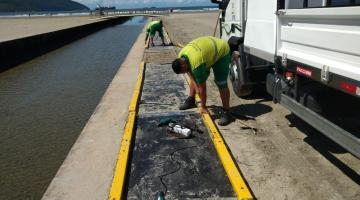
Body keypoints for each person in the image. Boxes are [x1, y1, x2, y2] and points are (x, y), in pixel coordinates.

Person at [172, 36, 232, 126]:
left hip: (221, 51)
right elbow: (190, 73)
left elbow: (202, 88)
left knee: (221, 82)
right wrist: (196, 87)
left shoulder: (196, 64)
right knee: (194, 75)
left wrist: (203, 106)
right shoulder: (181, 55)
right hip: (206, 53)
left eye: (183, 71)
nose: (185, 73)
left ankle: (226, 112)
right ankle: (191, 100)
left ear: (183, 65)